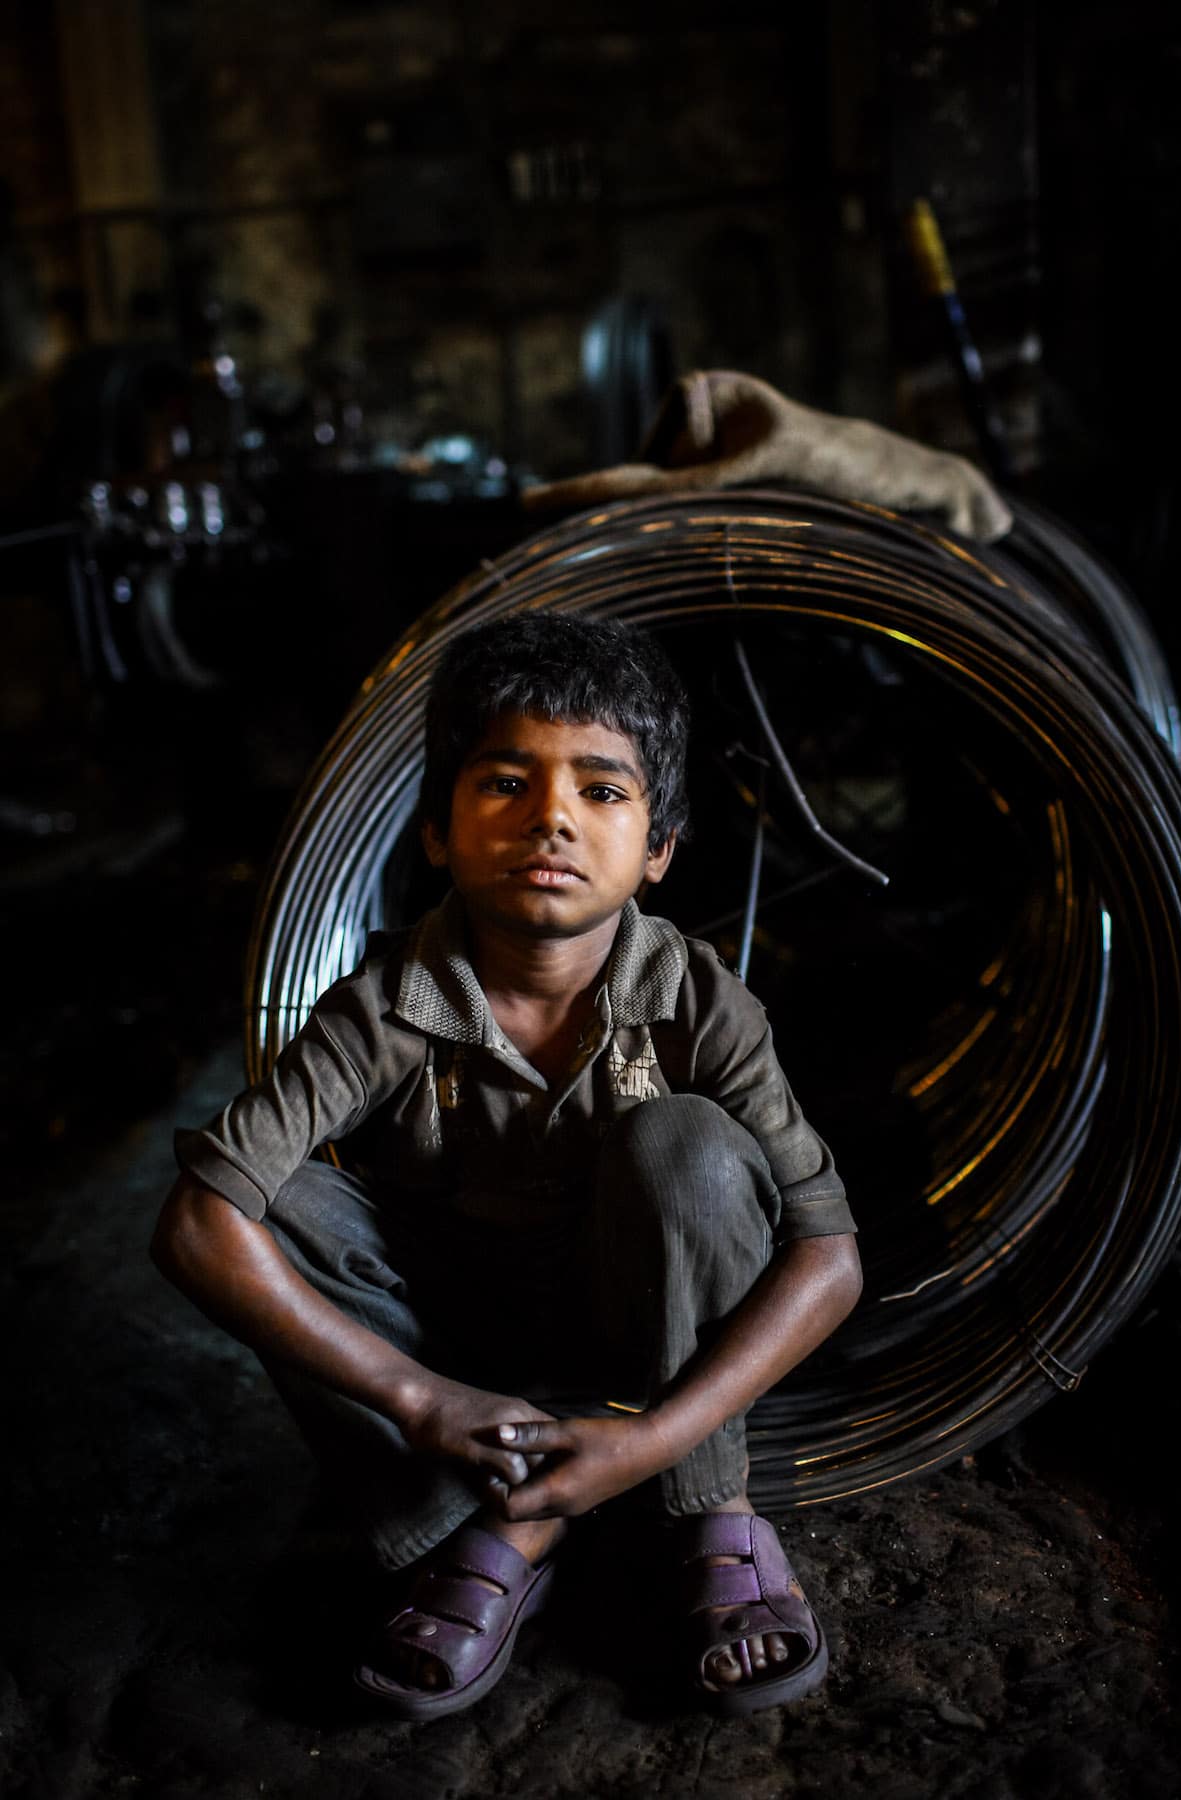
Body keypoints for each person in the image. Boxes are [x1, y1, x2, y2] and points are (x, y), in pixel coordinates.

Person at [152, 612, 863, 1721]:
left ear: (660, 848)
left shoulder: (701, 1004)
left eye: (602, 791)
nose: (551, 820)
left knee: (689, 1147)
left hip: (647, 1349)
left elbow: (830, 1258)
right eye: (503, 785)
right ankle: (504, 1514)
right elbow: (197, 1226)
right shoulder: (387, 1005)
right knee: (268, 1199)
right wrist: (420, 1400)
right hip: (464, 1369)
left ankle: (704, 1506)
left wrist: (656, 1439)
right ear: (436, 830)